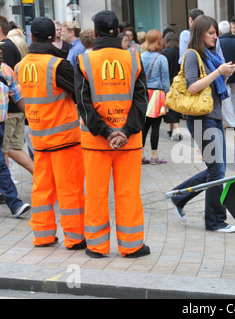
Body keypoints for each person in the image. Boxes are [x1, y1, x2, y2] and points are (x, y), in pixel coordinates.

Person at [75, 10, 150, 258]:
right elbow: (142, 102)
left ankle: (96, 246)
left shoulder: (84, 61)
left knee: (96, 193)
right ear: (119, 33)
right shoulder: (135, 60)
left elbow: (84, 105)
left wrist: (106, 133)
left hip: (96, 142)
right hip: (129, 142)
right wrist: (125, 131)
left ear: (95, 33)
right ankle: (132, 245)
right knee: (128, 192)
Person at [15, 17, 85, 249]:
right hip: (65, 140)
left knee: (41, 189)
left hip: (38, 137)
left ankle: (43, 235)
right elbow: (79, 94)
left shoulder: (20, 66)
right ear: (54, 38)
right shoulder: (57, 65)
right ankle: (75, 238)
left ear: (31, 37)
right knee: (70, 190)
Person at [170, 15, 235, 233]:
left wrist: (225, 75)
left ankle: (179, 195)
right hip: (201, 118)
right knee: (217, 169)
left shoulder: (209, 56)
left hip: (213, 116)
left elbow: (213, 88)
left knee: (216, 168)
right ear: (200, 34)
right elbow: (192, 87)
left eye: (216, 32)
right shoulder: (192, 55)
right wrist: (219, 72)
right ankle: (215, 221)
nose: (215, 36)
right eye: (211, 33)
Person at [0, 15, 33, 176]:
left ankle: (5, 190)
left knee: (6, 150)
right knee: (11, 148)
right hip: (14, 108)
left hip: (9, 111)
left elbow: (7, 80)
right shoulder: (9, 45)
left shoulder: (4, 48)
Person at [0, 44, 31, 218]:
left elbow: (18, 96)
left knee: (2, 165)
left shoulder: (6, 71)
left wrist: (32, 117)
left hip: (2, 124)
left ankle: (15, 204)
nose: (1, 54)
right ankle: (15, 203)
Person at [141, 29, 169, 165]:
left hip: (143, 94)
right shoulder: (161, 58)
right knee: (156, 127)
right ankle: (154, 156)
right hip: (157, 94)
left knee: (144, 126)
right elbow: (165, 82)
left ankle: (140, 155)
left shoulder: (140, 56)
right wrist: (168, 96)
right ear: (158, 41)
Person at [162, 30, 183, 140]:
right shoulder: (180, 51)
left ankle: (177, 130)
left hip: (167, 82)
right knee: (176, 106)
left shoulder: (164, 52)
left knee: (170, 107)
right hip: (178, 82)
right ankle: (171, 129)